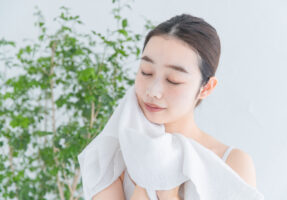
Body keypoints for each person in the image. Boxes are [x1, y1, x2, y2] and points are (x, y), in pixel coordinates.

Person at [92, 13, 257, 200]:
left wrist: (168, 193)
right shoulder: (113, 155)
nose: (153, 91)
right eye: (146, 72)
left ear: (206, 88)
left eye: (173, 80)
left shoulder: (231, 163)